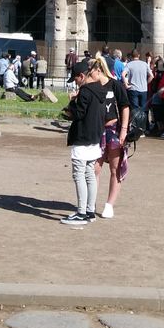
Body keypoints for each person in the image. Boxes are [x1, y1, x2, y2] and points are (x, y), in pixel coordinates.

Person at [60, 60, 106, 226]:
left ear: (81, 76)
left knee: (79, 174)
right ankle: (90, 211)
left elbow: (78, 114)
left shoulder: (85, 92)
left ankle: (81, 213)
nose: (76, 83)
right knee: (89, 174)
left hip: (83, 136)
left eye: (76, 79)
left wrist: (73, 101)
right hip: (95, 137)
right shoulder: (100, 89)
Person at [90, 55, 130, 218]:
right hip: (96, 130)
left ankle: (109, 205)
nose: (89, 73)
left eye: (90, 69)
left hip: (114, 129)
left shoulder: (116, 85)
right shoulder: (91, 86)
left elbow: (125, 107)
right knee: (94, 169)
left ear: (99, 69)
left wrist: (124, 130)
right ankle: (90, 202)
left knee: (115, 168)